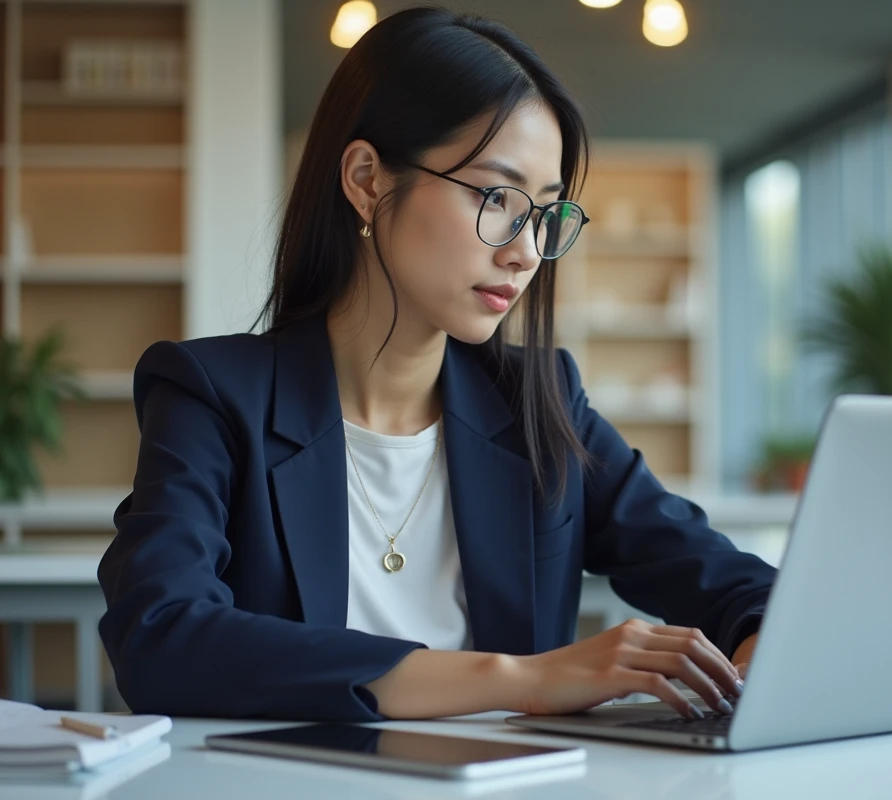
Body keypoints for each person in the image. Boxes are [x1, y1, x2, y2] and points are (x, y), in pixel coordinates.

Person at [97, 5, 776, 723]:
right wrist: (522, 679)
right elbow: (160, 639)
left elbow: (735, 585)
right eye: (495, 196)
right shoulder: (211, 396)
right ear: (365, 179)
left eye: (544, 214)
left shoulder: (536, 401)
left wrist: (765, 647)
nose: (524, 252)